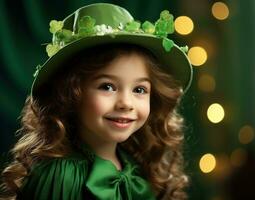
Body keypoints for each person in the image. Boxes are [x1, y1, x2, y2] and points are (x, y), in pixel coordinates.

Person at [0, 3, 193, 200]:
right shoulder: (62, 176)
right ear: (71, 93)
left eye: (139, 89)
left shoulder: (136, 167)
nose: (126, 103)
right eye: (107, 86)